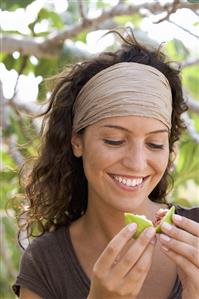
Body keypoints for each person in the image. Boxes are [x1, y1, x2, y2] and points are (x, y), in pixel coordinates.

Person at [12, 30, 199, 299]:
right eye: (114, 140)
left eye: (155, 144)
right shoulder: (45, 264)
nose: (136, 163)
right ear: (78, 142)